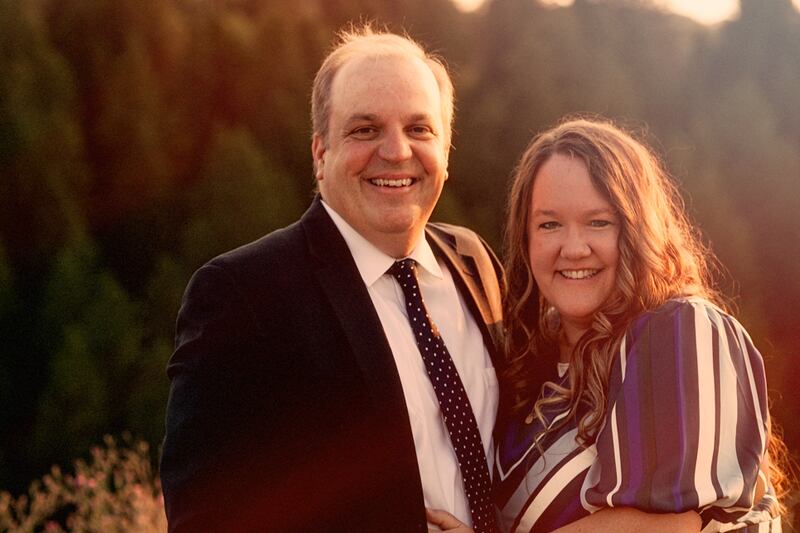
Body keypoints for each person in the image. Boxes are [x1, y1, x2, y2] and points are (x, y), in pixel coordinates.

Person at [159, 25, 505, 533]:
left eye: (419, 129)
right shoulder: (242, 295)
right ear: (320, 154)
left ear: (446, 151)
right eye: (365, 129)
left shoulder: (475, 263)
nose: (396, 151)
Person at [492, 117, 784, 532]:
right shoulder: (520, 358)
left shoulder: (681, 329)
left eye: (599, 222)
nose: (573, 248)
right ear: (525, 240)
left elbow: (669, 526)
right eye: (549, 224)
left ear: (637, 230)